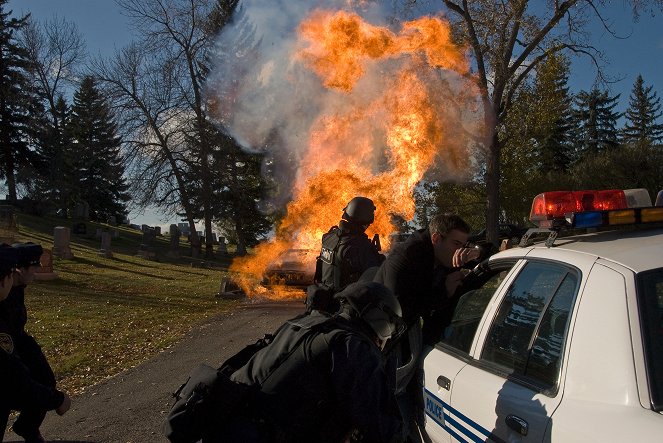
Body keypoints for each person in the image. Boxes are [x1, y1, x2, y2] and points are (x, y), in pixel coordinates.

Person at [224, 281, 405, 443]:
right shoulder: (353, 345)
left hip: (229, 415)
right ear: (380, 317)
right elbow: (380, 424)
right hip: (258, 431)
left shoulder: (308, 322)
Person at [374, 213, 481, 441]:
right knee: (394, 395)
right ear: (435, 238)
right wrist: (443, 291)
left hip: (404, 333)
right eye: (455, 244)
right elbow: (401, 310)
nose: (459, 251)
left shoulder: (440, 256)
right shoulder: (405, 258)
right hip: (385, 337)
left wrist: (477, 253)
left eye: (464, 245)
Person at [0, 244, 71, 443]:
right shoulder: (3, 297)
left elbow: (17, 328)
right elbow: (13, 375)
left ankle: (27, 427)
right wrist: (56, 399)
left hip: (18, 342)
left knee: (45, 379)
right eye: (35, 266)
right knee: (12, 391)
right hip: (9, 350)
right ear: (17, 271)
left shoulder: (17, 287)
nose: (39, 269)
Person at [307, 196, 385, 313]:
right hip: (345, 307)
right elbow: (375, 278)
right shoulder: (361, 246)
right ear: (366, 221)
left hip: (322, 301)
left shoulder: (328, 238)